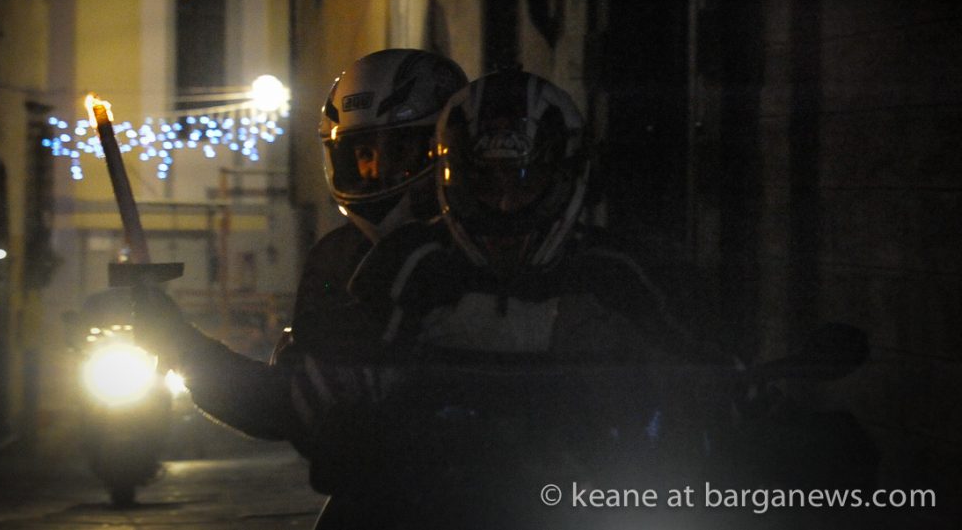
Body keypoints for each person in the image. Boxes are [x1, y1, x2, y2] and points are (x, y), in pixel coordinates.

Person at [290, 67, 734, 529]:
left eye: (523, 181)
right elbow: (342, 368)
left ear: (563, 178)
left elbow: (709, 366)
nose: (504, 203)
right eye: (485, 182)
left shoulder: (619, 270)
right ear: (453, 178)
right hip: (438, 501)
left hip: (586, 493)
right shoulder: (409, 262)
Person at [130, 49, 468, 483]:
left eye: (398, 150)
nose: (376, 170)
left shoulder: (479, 246)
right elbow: (287, 401)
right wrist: (182, 345)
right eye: (361, 153)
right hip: (380, 495)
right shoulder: (337, 259)